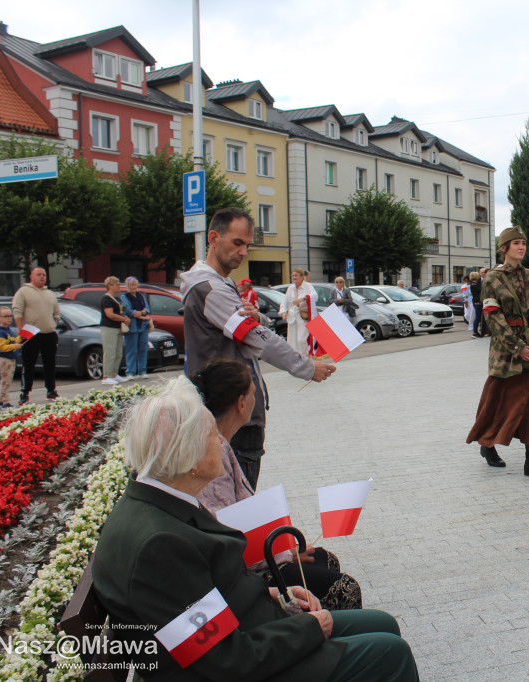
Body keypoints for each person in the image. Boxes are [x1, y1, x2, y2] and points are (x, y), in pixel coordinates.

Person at [91, 378, 419, 681]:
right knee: (391, 653)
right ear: (187, 455)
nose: (221, 442)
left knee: (383, 624)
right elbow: (222, 658)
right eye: (210, 436)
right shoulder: (158, 546)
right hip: (241, 663)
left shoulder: (162, 499)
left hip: (249, 631)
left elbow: (205, 600)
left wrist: (277, 595)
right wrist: (309, 630)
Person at [181, 207, 336, 490]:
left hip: (231, 413)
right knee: (235, 510)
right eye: (237, 242)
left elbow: (251, 326)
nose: (243, 252)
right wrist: (307, 367)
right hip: (230, 417)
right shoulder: (208, 288)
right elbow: (255, 338)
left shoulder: (219, 284)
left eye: (248, 245)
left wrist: (258, 317)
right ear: (213, 238)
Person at [191, 359, 362, 611]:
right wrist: (282, 554)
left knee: (325, 559)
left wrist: (285, 550)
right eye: (253, 391)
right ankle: (324, 640)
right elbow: (227, 532)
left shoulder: (219, 442)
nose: (257, 398)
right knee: (344, 588)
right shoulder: (211, 450)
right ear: (241, 403)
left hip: (253, 554)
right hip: (241, 574)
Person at [466, 227, 529, 479]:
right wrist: (517, 347)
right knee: (497, 402)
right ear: (504, 248)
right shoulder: (492, 279)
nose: (521, 247)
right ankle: (487, 444)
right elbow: (493, 317)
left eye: (524, 242)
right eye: (516, 243)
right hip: (505, 354)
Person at [12, 266, 60, 404]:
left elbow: (56, 313)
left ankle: (51, 391)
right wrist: (22, 331)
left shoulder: (50, 294)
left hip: (49, 333)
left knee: (50, 364)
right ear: (31, 277)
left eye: (43, 274)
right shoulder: (24, 292)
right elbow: (17, 312)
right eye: (38, 274)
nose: (42, 277)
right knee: (29, 364)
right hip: (31, 333)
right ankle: (25, 392)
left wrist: (52, 323)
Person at [99, 276, 130, 386]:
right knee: (110, 352)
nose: (119, 286)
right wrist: (123, 319)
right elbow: (110, 314)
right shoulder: (106, 299)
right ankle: (106, 376)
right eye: (116, 284)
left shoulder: (116, 299)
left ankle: (114, 373)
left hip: (117, 327)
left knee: (118, 352)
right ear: (110, 286)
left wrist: (124, 317)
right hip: (109, 328)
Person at [121, 277, 152, 379]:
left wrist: (142, 313)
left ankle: (142, 371)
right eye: (131, 285)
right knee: (132, 349)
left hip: (143, 326)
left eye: (135, 285)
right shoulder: (124, 297)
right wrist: (143, 315)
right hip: (132, 326)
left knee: (143, 348)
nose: (134, 287)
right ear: (127, 286)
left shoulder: (141, 296)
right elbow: (129, 311)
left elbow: (147, 309)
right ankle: (130, 372)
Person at [283, 268, 317, 358]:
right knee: (292, 342)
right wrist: (283, 312)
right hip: (292, 317)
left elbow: (315, 296)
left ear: (302, 277)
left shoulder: (308, 286)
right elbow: (285, 301)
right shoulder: (290, 288)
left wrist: (303, 299)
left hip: (303, 317)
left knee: (301, 340)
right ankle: (296, 360)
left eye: (296, 275)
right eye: (293, 275)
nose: (294, 277)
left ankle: (305, 359)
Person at [0, 307, 22, 409]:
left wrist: (21, 338)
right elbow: (2, 347)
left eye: (10, 316)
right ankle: (5, 402)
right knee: (5, 381)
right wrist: (14, 346)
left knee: (7, 380)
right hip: (4, 358)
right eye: (5, 316)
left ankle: (2, 400)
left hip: (10, 358)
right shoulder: (0, 332)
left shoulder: (8, 330)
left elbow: (12, 340)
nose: (9, 319)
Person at [475, 267, 491, 337]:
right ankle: (482, 331)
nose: (484, 274)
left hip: (488, 301)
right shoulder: (478, 282)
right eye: (482, 272)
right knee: (481, 317)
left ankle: (488, 331)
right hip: (482, 301)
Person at [469, 271, 483, 338]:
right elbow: (480, 289)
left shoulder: (473, 284)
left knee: (478, 317)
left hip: (476, 301)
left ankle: (476, 331)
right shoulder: (475, 285)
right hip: (478, 302)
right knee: (477, 317)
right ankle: (475, 332)